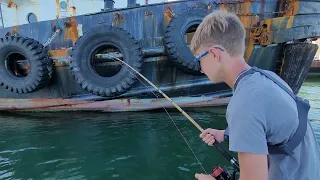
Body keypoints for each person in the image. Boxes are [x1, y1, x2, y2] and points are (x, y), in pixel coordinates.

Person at [189, 10, 320, 180]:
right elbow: (271, 126)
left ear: (214, 54)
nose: (200, 68)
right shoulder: (268, 79)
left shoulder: (244, 102)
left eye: (199, 61)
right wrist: (226, 134)